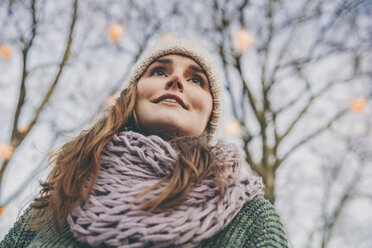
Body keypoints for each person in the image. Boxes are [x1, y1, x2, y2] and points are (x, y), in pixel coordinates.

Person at [1, 39, 289, 247]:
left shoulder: (251, 217)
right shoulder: (61, 196)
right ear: (132, 97)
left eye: (197, 80)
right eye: (160, 71)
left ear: (210, 115)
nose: (176, 79)